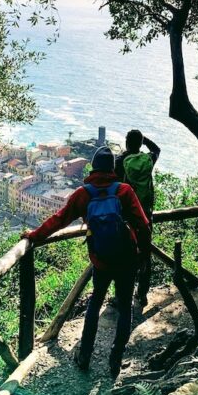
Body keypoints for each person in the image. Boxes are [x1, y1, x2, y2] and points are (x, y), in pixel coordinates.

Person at [23, 146, 150, 379]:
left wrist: (34, 235)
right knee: (124, 309)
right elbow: (143, 224)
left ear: (93, 168)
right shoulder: (124, 191)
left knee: (94, 305)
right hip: (126, 259)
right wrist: (142, 255)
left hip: (101, 261)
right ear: (113, 168)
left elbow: (59, 220)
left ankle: (85, 356)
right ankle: (116, 359)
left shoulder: (84, 194)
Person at [115, 130, 161, 307]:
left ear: (127, 143)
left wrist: (128, 149)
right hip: (146, 213)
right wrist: (144, 141)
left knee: (123, 253)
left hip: (126, 215)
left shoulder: (120, 161)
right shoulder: (148, 160)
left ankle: (121, 295)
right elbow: (157, 149)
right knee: (145, 253)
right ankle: (142, 294)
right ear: (140, 143)